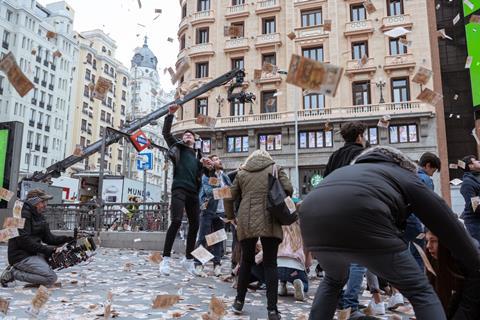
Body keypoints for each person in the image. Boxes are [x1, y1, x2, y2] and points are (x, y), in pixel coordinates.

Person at [300, 146, 480, 320]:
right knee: (420, 291)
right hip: (364, 217)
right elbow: (442, 216)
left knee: (332, 281)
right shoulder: (404, 175)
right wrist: (474, 258)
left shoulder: (347, 172)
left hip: (311, 219)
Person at [224, 149, 293, 320]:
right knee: (271, 264)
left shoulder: (242, 172)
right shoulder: (275, 167)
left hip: (246, 220)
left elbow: (228, 197)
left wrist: (231, 217)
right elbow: (288, 189)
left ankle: (239, 302)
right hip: (271, 218)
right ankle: (272, 310)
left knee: (246, 261)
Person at [159, 104, 211, 276]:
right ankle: (165, 259)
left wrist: (208, 167)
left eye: (191, 135)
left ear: (195, 140)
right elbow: (166, 134)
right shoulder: (178, 148)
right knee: (175, 221)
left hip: (193, 193)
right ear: (183, 139)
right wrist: (170, 115)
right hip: (179, 189)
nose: (187, 136)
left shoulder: (199, 158)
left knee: (195, 224)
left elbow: (205, 176)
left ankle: (189, 260)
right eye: (185, 135)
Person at [323, 121, 368, 316]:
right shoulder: (364, 154)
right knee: (358, 259)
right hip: (356, 210)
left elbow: (326, 181)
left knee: (338, 259)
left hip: (334, 211)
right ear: (359, 136)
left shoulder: (335, 155)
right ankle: (351, 304)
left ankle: (339, 300)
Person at [1, 189, 74, 287]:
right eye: (43, 202)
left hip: (33, 253)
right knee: (50, 278)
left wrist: (69, 238)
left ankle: (27, 271)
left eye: (46, 202)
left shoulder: (39, 215)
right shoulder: (19, 214)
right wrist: (49, 249)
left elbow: (49, 239)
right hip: (21, 256)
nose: (45, 205)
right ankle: (14, 273)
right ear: (34, 202)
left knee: (59, 259)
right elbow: (24, 242)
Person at [425, 230, 480, 319]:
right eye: (427, 241)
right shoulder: (435, 261)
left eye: (434, 241)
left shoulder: (468, 265)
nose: (428, 246)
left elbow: (468, 307)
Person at [194, 155, 232, 276]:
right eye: (215, 159)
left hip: (221, 211)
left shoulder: (225, 177)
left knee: (218, 239)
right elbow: (209, 192)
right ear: (211, 163)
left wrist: (225, 191)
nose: (219, 160)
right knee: (203, 238)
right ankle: (199, 265)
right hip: (208, 210)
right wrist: (224, 190)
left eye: (219, 159)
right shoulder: (207, 175)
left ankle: (217, 265)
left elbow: (231, 193)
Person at [404, 152, 441, 268]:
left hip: (402, 221)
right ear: (428, 165)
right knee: (419, 254)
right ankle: (420, 283)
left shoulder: (409, 175)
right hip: (416, 222)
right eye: (433, 171)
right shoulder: (425, 179)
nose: (431, 175)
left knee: (404, 254)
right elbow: (427, 204)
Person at [277, 220, 311, 301]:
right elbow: (308, 261)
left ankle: (282, 285)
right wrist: (306, 267)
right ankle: (301, 284)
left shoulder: (280, 234)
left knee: (283, 271)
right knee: (304, 284)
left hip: (278, 268)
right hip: (294, 270)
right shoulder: (302, 236)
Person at [459, 155, 480, 243]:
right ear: (470, 166)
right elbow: (476, 206)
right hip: (475, 225)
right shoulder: (468, 183)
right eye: (475, 160)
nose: (479, 161)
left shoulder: (477, 178)